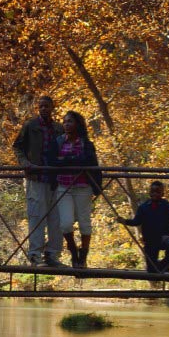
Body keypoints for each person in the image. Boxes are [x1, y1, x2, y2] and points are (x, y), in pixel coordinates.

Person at [11, 95, 65, 267]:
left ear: (52, 107)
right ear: (38, 108)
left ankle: (53, 255)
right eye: (41, 106)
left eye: (46, 106)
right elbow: (17, 146)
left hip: (55, 179)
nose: (43, 109)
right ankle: (35, 255)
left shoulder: (58, 128)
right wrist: (25, 163)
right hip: (36, 178)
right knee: (36, 216)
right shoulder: (30, 126)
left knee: (57, 218)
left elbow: (65, 149)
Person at [47, 111, 101, 268]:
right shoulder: (58, 142)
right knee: (65, 223)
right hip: (63, 186)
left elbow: (88, 161)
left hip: (83, 187)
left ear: (77, 124)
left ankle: (83, 257)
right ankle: (73, 252)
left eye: (70, 121)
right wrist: (71, 161)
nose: (66, 124)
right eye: (64, 122)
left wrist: (64, 160)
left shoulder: (85, 143)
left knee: (84, 223)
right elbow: (52, 161)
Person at [118, 181, 169, 273]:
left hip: (163, 238)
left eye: (157, 191)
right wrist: (125, 221)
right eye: (152, 191)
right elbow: (137, 221)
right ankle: (157, 267)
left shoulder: (166, 205)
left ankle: (164, 265)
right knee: (152, 271)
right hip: (150, 240)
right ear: (149, 192)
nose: (155, 194)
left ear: (162, 193)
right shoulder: (144, 207)